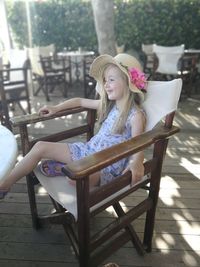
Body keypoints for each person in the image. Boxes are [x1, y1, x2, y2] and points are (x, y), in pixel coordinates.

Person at [0, 53, 147, 199]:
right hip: (88, 152)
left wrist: (137, 162)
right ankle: (5, 184)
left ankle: (64, 169)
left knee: (76, 177)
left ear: (128, 82)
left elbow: (138, 143)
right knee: (39, 146)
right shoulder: (110, 106)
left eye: (111, 80)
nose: (106, 85)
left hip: (106, 166)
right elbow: (80, 101)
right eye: (105, 80)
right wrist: (56, 108)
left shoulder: (136, 116)